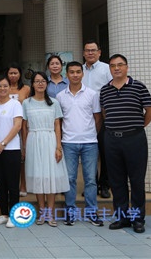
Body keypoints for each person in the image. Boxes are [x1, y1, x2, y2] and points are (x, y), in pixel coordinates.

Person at [100, 54, 151, 234]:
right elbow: (105, 113)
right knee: (117, 181)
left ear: (126, 67)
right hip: (112, 140)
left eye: (120, 65)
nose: (116, 68)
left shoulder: (138, 87)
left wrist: (137, 127)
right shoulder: (104, 90)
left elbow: (150, 111)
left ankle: (138, 219)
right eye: (113, 65)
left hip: (134, 139)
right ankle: (122, 217)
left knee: (137, 181)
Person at [55, 62, 103, 227]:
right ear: (66, 75)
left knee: (90, 180)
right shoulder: (60, 96)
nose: (75, 75)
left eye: (78, 72)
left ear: (82, 74)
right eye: (71, 72)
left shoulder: (92, 94)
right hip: (68, 142)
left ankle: (91, 212)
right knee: (70, 178)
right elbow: (59, 121)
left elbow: (97, 118)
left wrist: (91, 134)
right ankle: (70, 211)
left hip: (90, 142)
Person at [22, 71, 69, 227]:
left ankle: (50, 212)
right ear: (32, 84)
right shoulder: (26, 103)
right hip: (33, 140)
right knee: (38, 176)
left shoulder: (54, 103)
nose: (40, 83)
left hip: (50, 140)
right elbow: (24, 127)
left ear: (46, 84)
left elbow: (57, 125)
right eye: (37, 81)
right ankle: (42, 212)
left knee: (50, 176)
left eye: (43, 81)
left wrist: (58, 147)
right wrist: (24, 147)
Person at [0, 75, 23, 228]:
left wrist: (3, 143)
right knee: (0, 184)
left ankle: (14, 216)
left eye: (5, 86)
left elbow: (17, 126)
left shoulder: (15, 104)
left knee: (12, 184)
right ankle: (3, 214)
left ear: (10, 88)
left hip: (11, 149)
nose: (2, 88)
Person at [82, 41, 113, 199]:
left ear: (99, 52)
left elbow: (112, 89)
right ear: (83, 53)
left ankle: (105, 185)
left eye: (93, 50)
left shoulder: (107, 69)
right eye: (87, 50)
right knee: (88, 153)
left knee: (105, 151)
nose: (90, 53)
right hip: (84, 118)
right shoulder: (79, 70)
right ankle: (91, 184)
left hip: (103, 115)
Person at [7, 62, 30, 197]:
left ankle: (23, 184)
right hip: (6, 127)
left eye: (15, 73)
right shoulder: (4, 87)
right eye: (11, 73)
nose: (13, 75)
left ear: (20, 74)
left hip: (22, 126)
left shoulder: (26, 89)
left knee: (22, 157)